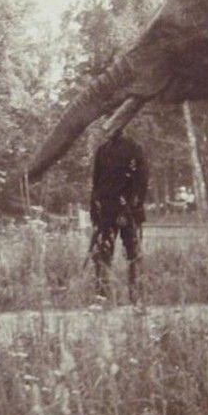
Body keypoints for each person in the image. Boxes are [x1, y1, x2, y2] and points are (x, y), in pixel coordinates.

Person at [89, 128, 149, 307]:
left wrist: (130, 208)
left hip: (129, 212)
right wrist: (95, 210)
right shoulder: (103, 150)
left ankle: (137, 300)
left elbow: (141, 182)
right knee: (102, 254)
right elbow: (97, 183)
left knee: (134, 253)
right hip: (106, 213)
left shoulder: (135, 149)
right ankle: (102, 298)